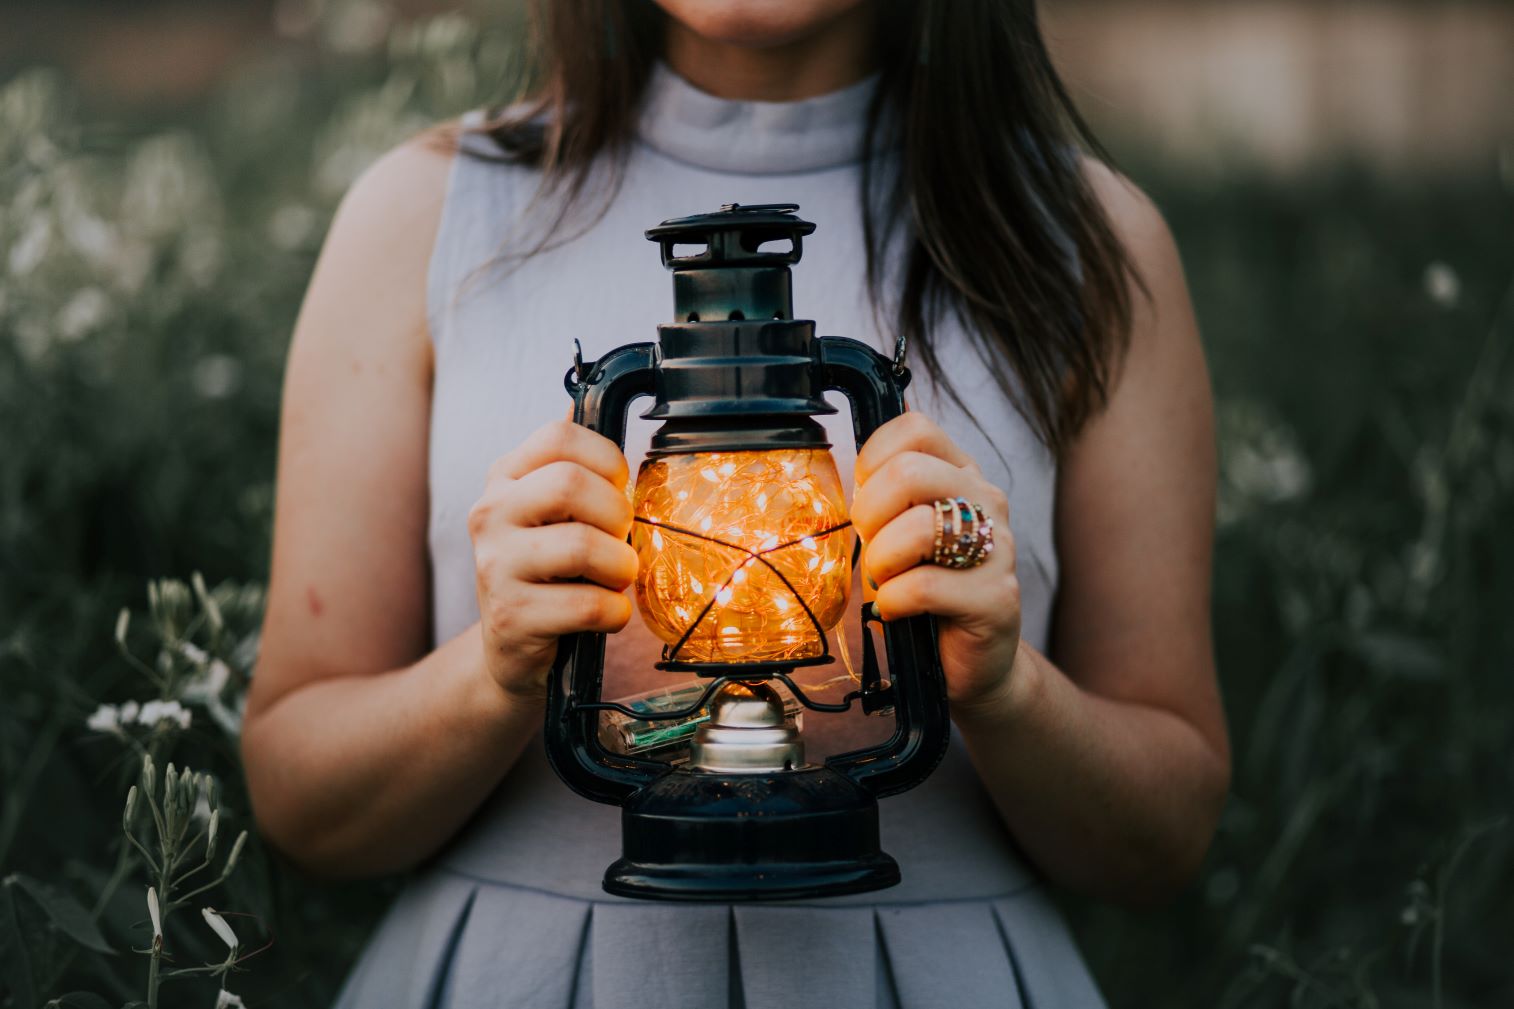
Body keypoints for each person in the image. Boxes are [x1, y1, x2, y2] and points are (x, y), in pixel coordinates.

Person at [240, 1, 1231, 1006]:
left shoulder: (1080, 240)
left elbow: (1161, 839)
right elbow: (301, 803)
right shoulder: (431, 217)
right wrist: (494, 672)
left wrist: (1002, 687)